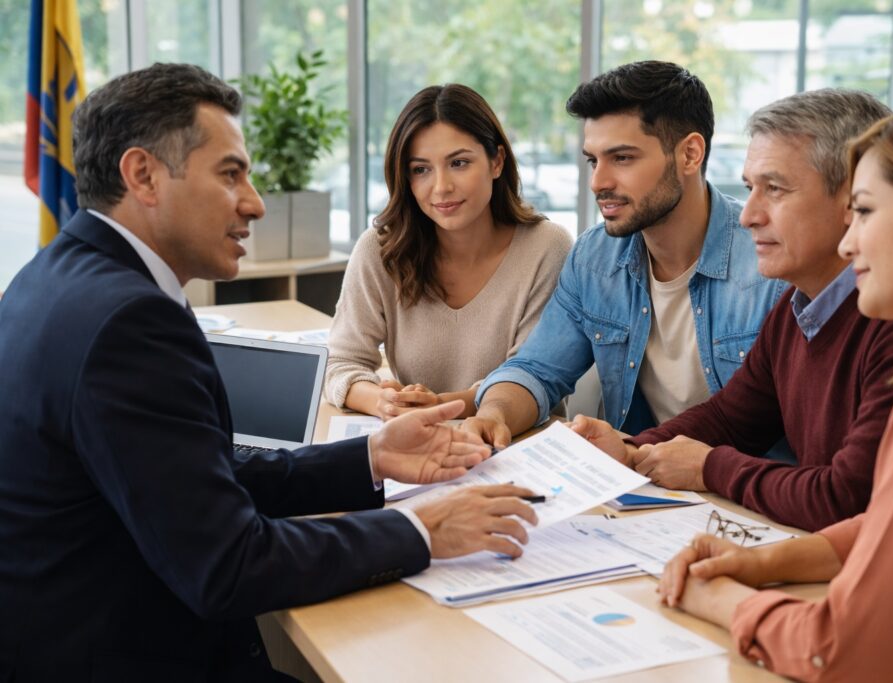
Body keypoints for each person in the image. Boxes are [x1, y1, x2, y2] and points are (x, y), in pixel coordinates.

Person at [0, 63, 540, 681]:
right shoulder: (129, 323)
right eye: (231, 174)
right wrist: (420, 529)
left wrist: (369, 458)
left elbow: (201, 478)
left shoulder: (52, 278)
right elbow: (230, 566)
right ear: (142, 175)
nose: (255, 203)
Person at [657, 95, 893, 682]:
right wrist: (766, 561)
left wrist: (720, 601)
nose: (850, 244)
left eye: (867, 212)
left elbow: (846, 656)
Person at [573, 89, 893, 531]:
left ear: (853, 198)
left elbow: (846, 498)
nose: (748, 216)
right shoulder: (799, 305)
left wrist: (710, 468)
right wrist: (631, 449)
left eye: (775, 189)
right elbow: (731, 417)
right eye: (749, 189)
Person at [465, 61, 784, 448]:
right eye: (592, 160)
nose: (598, 182)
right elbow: (537, 369)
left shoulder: (770, 263)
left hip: (734, 494)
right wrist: (494, 413)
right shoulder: (595, 256)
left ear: (690, 154)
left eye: (622, 158)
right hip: (635, 485)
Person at [324, 84, 571, 421]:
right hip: (418, 443)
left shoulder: (547, 247)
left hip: (519, 444)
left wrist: (442, 406)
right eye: (421, 169)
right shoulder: (381, 249)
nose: (441, 187)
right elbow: (340, 362)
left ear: (496, 161)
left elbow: (532, 375)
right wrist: (383, 402)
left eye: (458, 163)